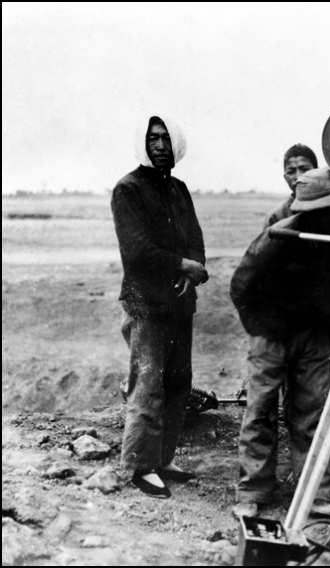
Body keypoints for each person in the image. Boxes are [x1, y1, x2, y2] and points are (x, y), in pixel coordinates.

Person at [230, 158, 330, 519]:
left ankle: (317, 491)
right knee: (260, 411)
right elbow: (241, 287)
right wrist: (262, 330)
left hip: (315, 334)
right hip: (271, 334)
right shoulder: (281, 234)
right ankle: (254, 489)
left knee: (313, 413)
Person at [111, 115, 208, 498]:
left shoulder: (179, 189)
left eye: (166, 138)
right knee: (148, 384)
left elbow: (195, 237)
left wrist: (193, 270)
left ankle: (163, 459)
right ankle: (138, 465)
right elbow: (135, 252)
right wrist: (181, 264)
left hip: (181, 302)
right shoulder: (128, 190)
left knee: (177, 384)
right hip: (146, 303)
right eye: (153, 139)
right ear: (142, 143)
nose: (160, 145)